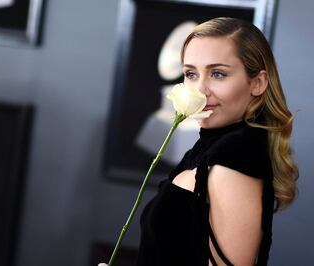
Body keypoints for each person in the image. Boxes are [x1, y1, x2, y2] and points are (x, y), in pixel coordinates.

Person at [100, 17, 298, 266]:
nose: (200, 89)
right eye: (191, 74)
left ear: (257, 83)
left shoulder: (236, 154)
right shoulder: (211, 146)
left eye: (217, 73)